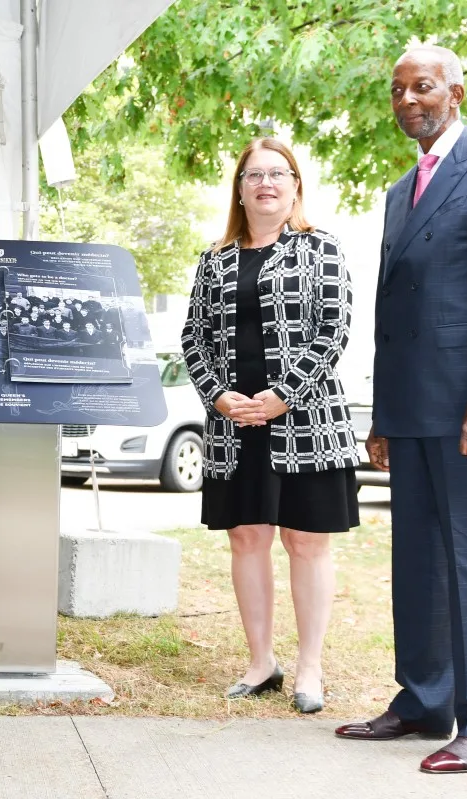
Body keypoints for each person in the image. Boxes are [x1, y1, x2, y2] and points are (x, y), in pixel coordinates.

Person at [335, 46, 467, 775]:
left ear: (455, 90)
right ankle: (425, 699)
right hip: (411, 405)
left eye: (420, 87)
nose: (406, 101)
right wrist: (383, 414)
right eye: (395, 90)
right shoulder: (400, 190)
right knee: (417, 557)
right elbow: (397, 308)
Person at [180, 137, 358, 716]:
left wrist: (283, 395)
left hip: (306, 422)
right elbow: (193, 337)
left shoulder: (320, 249)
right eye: (254, 175)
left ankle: (310, 666)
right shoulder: (215, 259)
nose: (267, 184)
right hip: (236, 427)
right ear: (239, 188)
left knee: (306, 541)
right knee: (248, 538)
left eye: (279, 174)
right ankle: (262, 662)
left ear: (295, 186)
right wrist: (217, 395)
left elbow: (333, 331)